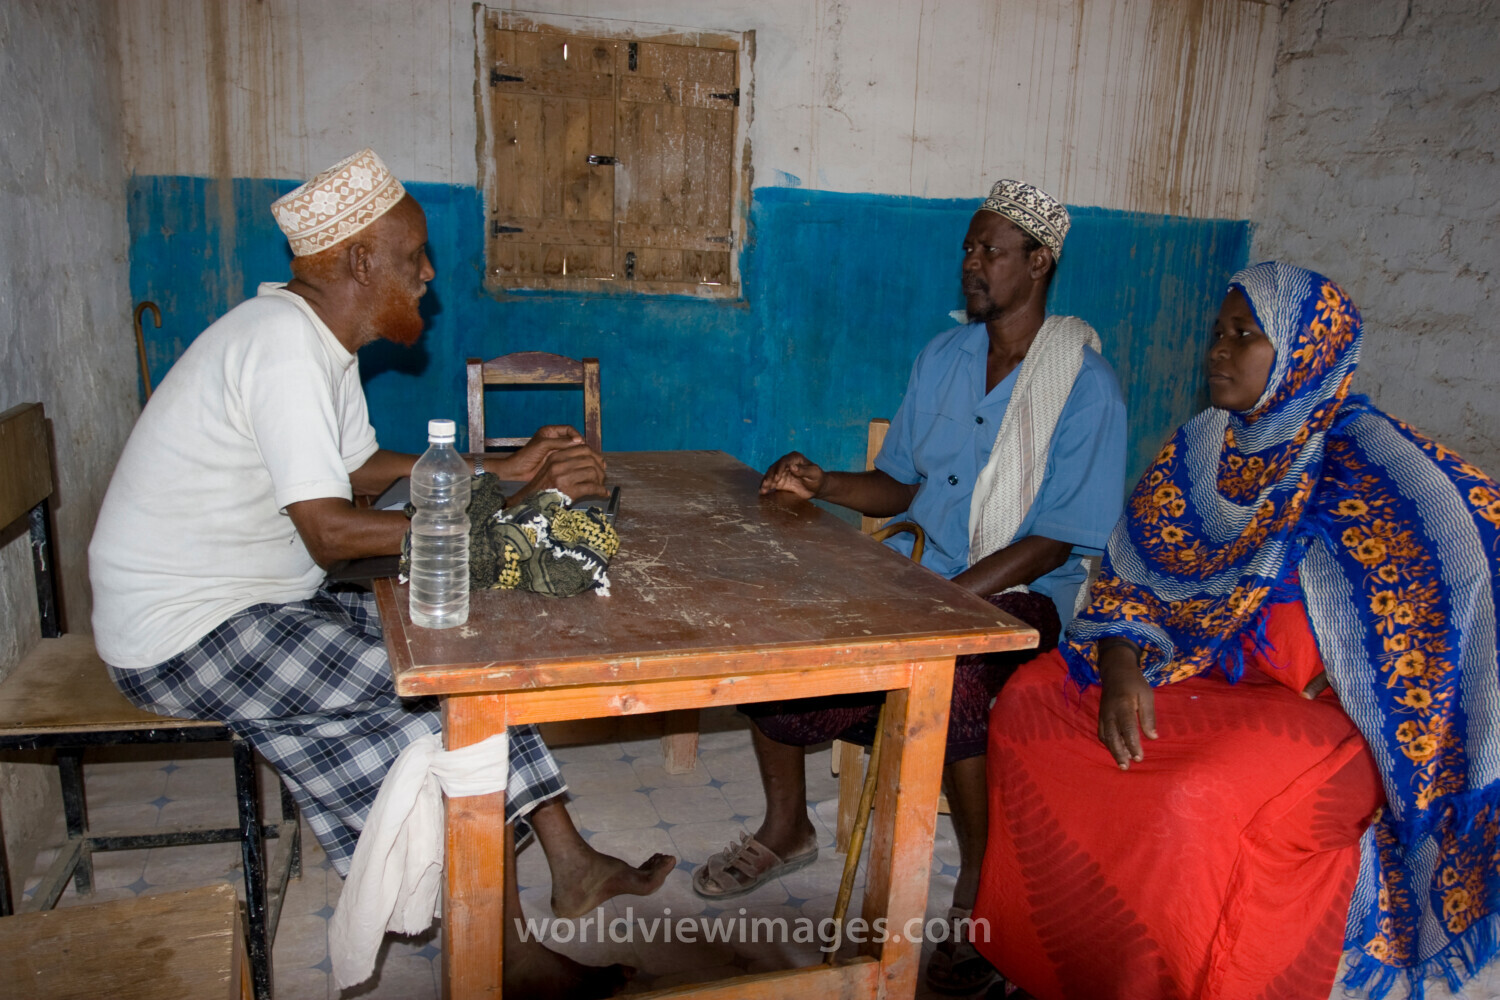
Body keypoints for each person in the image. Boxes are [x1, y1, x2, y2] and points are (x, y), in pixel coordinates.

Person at [88, 149, 671, 998]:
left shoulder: (314, 342)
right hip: (185, 634)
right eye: (413, 259)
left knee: (467, 651)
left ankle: (570, 861)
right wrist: (508, 514)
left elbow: (360, 467)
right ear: (361, 262)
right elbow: (330, 532)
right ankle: (506, 954)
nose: (429, 276)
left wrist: (499, 471)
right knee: (443, 710)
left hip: (252, 606)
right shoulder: (283, 349)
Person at [975, 261, 1500, 1000]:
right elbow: (1132, 573)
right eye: (1219, 333)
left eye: (1245, 336)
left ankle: (1166, 978)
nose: (1218, 351)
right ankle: (1045, 955)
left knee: (1193, 795)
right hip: (1186, 670)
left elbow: (1476, 536)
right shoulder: (1199, 450)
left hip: (1318, 714)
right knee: (1029, 701)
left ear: (1303, 352)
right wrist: (1121, 662)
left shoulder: (1370, 459)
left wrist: (1379, 674)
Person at [694, 179, 1128, 994]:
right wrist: (820, 481)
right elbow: (901, 486)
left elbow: (1057, 537)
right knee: (786, 644)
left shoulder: (1083, 385)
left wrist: (950, 601)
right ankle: (787, 830)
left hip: (1026, 596)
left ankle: (976, 894)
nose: (971, 263)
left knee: (958, 676)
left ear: (1038, 264)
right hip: (930, 574)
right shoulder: (946, 357)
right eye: (967, 247)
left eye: (990, 251)